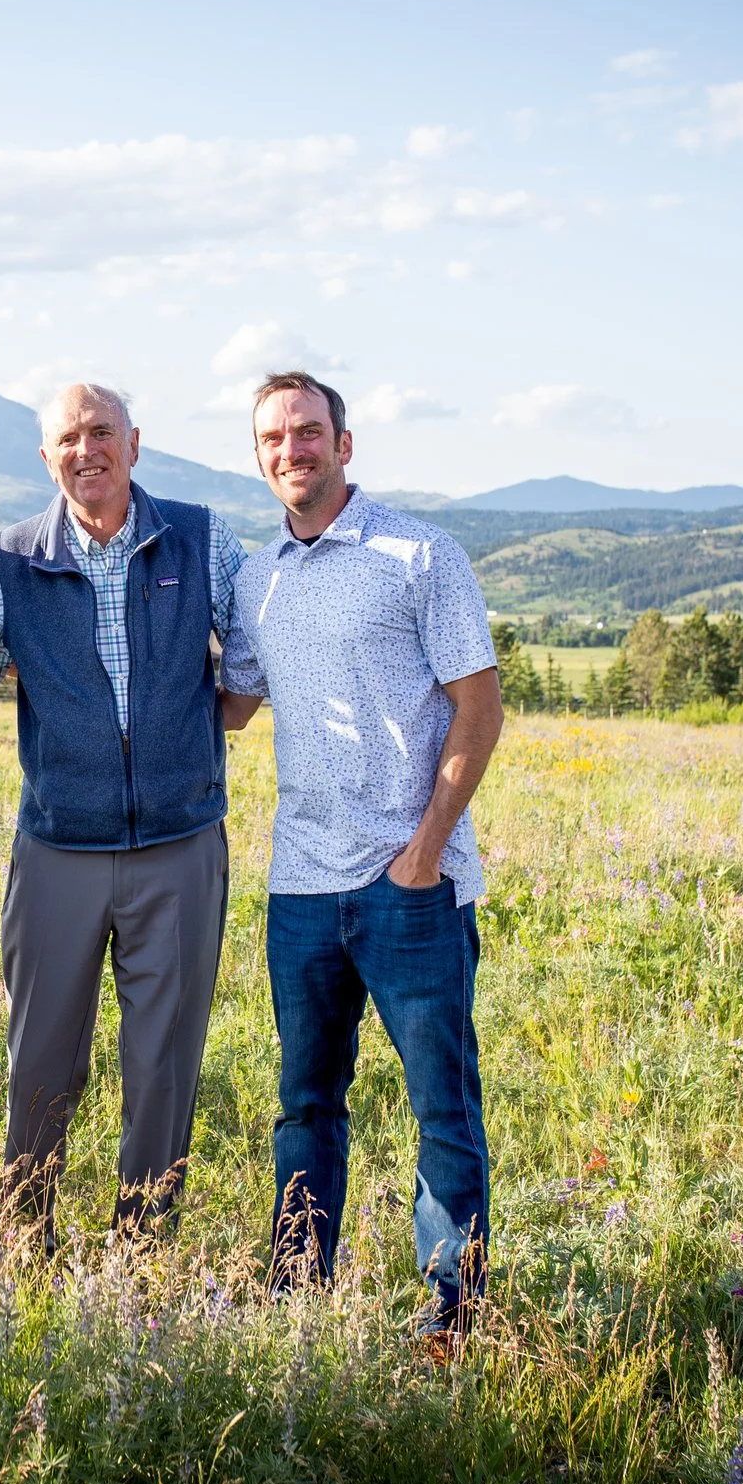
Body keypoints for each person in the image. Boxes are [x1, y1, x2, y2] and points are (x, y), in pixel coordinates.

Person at [219, 370, 504, 1343]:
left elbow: (478, 702)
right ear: (259, 457)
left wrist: (423, 853)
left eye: (307, 431)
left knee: (442, 1106)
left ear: (345, 442)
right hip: (298, 885)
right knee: (303, 1105)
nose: (290, 449)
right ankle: (296, 1295)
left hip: (408, 887)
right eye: (272, 437)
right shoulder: (256, 578)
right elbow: (231, 704)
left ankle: (450, 1315)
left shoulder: (418, 554)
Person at [0, 382, 246, 1248]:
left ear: (136, 443)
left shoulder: (201, 537)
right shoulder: (7, 562)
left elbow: (250, 659)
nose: (86, 449)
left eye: (102, 432)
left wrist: (198, 730)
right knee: (42, 1059)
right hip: (58, 848)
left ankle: (141, 1253)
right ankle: (24, 1242)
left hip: (180, 843)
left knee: (164, 1063)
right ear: (45, 457)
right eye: (68, 438)